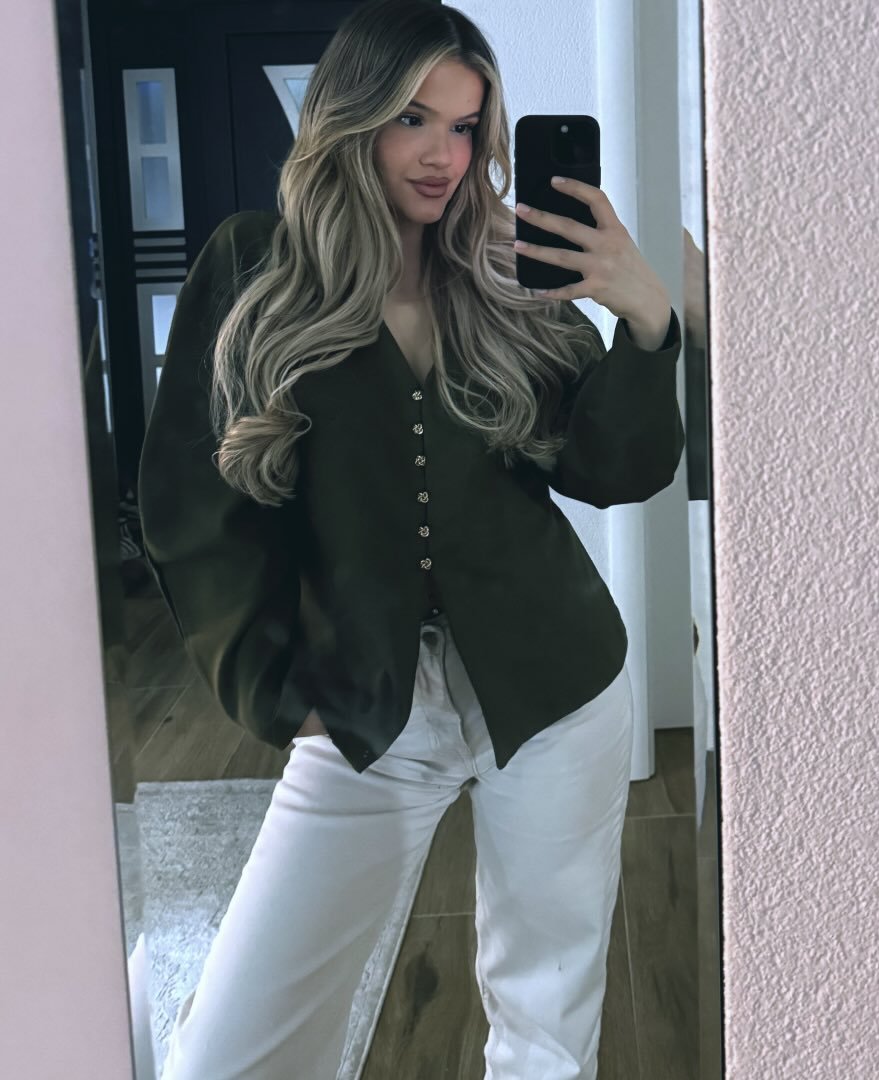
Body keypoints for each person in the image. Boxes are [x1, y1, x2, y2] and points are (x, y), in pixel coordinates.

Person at [138, 2, 683, 1077]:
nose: (444, 156)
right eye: (413, 119)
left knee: (546, 1034)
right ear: (352, 117)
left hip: (556, 688)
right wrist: (271, 690)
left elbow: (615, 472)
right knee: (229, 1053)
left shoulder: (500, 267)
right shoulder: (255, 266)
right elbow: (191, 506)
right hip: (363, 699)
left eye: (466, 127)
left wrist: (645, 322)